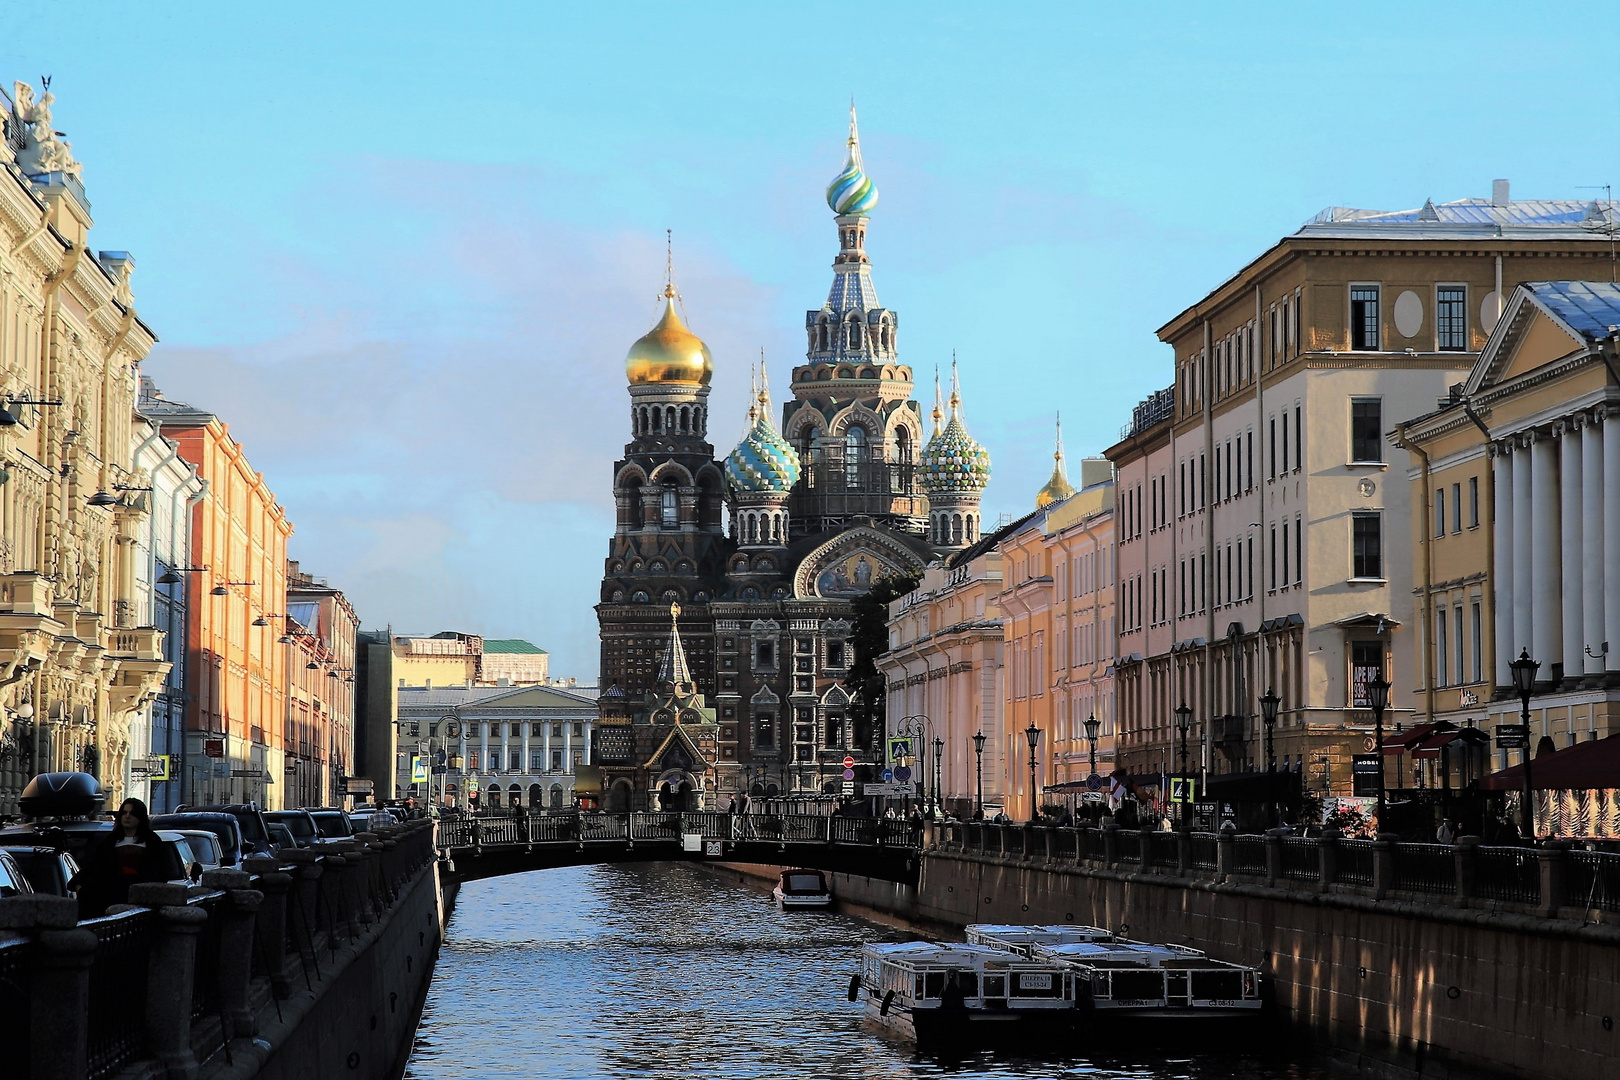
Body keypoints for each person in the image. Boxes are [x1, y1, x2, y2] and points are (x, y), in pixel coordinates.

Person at [74, 798, 176, 917]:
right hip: (109, 898)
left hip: (140, 900)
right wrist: (80, 886)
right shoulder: (109, 842)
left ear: (140, 818)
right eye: (124, 813)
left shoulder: (153, 842)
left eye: (132, 814)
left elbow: (160, 871)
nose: (127, 817)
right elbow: (95, 867)